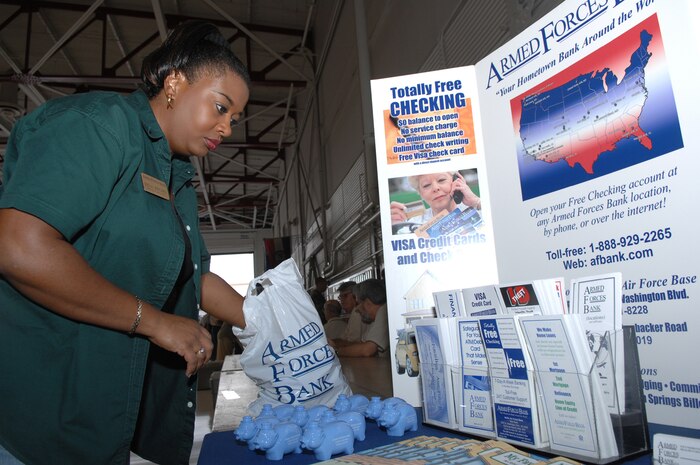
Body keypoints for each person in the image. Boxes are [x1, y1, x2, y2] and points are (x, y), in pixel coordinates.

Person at [0, 21, 250, 465]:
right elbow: (18, 247)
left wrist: (275, 324)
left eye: (233, 118)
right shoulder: (98, 126)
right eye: (220, 107)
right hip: (39, 416)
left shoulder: (175, 175)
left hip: (103, 414)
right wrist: (154, 322)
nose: (227, 128)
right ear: (175, 83)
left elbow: (195, 277)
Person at [390, 171, 481, 234]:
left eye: (441, 180)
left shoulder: (479, 208)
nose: (435, 188)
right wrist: (396, 228)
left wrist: (476, 202)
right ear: (420, 193)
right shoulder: (413, 224)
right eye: (426, 185)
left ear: (456, 181)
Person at [330, 279, 389, 357]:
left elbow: (367, 350)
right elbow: (360, 344)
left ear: (368, 302)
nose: (356, 309)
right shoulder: (375, 318)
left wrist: (337, 352)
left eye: (358, 303)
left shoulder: (383, 311)